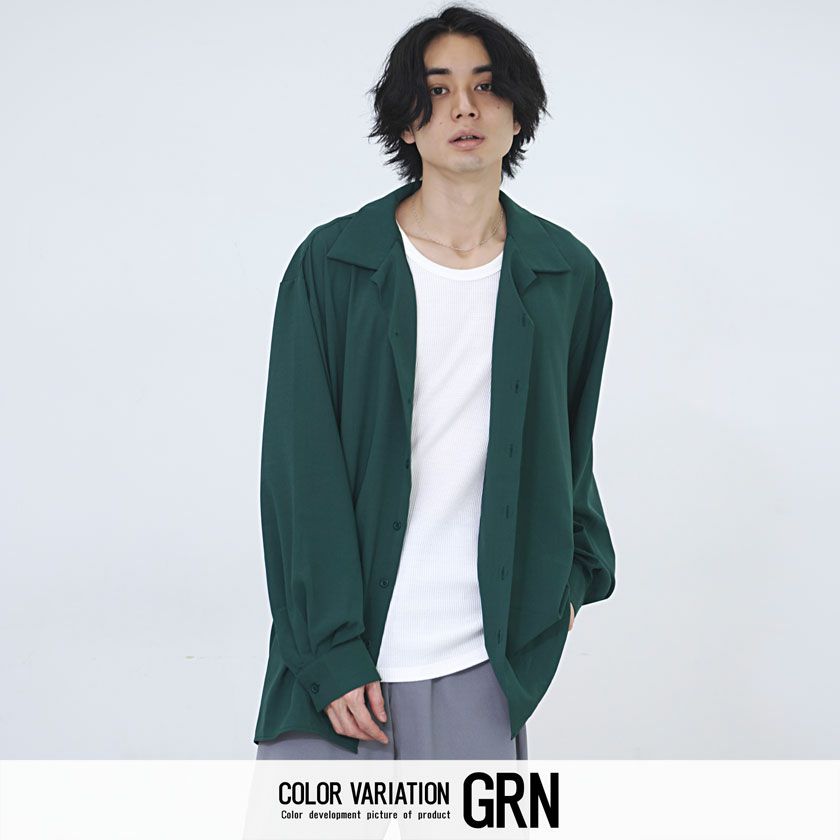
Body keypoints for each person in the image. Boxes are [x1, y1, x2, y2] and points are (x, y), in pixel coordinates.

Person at [254, 5, 616, 761]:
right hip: (340, 675)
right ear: (406, 122)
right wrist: (330, 651)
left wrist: (575, 579)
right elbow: (299, 471)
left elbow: (570, 451)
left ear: (518, 115)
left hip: (485, 665)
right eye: (439, 89)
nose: (465, 108)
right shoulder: (333, 265)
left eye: (486, 86)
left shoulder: (566, 274)